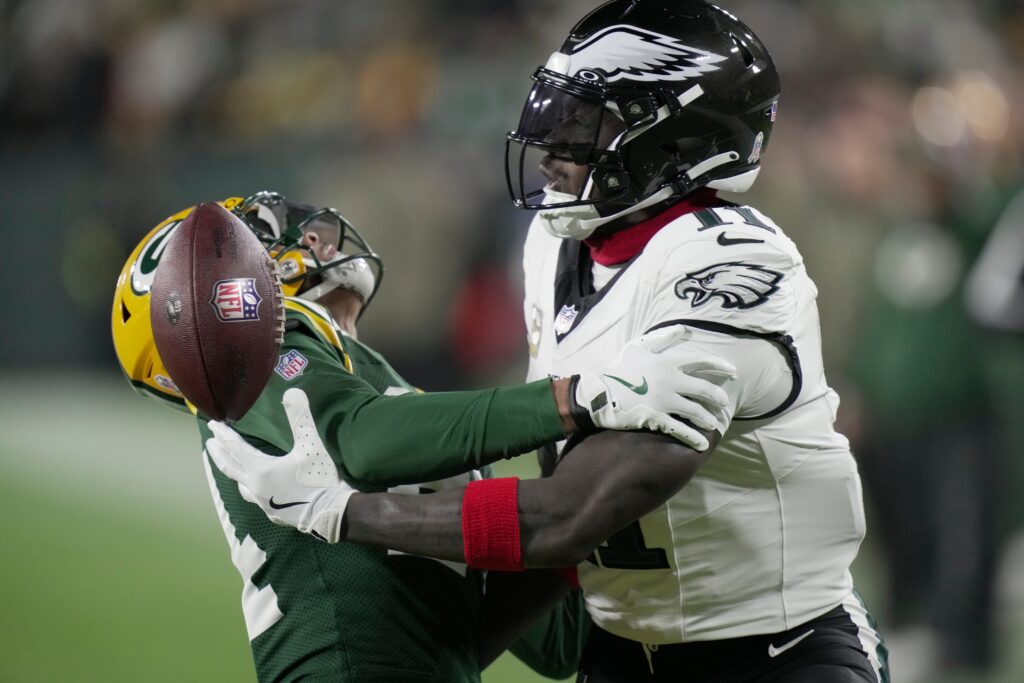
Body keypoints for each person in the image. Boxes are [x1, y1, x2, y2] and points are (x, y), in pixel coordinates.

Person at [207, 2, 891, 682]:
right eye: (558, 113)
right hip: (623, 650)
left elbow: (580, 510)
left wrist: (349, 513)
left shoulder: (734, 265)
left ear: (676, 139)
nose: (555, 146)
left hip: (775, 648)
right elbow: (564, 504)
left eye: (588, 122)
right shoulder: (555, 246)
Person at [111, 190, 733, 682]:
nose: (309, 238)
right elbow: (362, 442)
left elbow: (557, 643)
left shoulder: (380, 391)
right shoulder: (243, 365)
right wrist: (578, 398)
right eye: (264, 239)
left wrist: (600, 487)